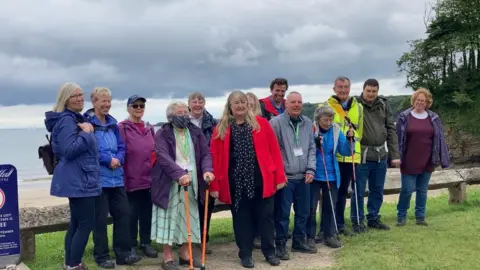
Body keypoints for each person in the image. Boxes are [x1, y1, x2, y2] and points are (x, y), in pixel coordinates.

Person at [210, 91, 286, 268]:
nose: (240, 106)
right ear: (229, 106)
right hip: (236, 183)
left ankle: (269, 252)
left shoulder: (261, 124)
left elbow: (274, 150)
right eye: (235, 103)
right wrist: (215, 184)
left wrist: (279, 177)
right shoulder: (221, 127)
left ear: (248, 104)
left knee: (266, 218)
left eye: (243, 102)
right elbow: (215, 157)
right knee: (241, 219)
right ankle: (245, 254)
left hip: (261, 180)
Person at [150, 101, 214, 270]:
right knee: (169, 218)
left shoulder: (195, 131)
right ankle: (168, 257)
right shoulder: (162, 133)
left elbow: (206, 153)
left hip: (192, 181)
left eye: (186, 113)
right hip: (168, 181)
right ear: (171, 117)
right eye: (180, 113)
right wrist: (179, 174)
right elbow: (163, 156)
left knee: (189, 218)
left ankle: (185, 254)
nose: (185, 116)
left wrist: (207, 170)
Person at [45, 82, 99, 270]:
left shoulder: (73, 118)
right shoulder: (68, 121)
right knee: (85, 223)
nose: (79, 98)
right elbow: (68, 150)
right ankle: (74, 265)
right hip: (78, 178)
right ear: (65, 99)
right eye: (75, 95)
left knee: (76, 223)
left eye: (81, 95)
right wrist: (86, 133)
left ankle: (70, 263)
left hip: (78, 176)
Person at [85, 87, 141, 268]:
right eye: (103, 101)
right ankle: (101, 256)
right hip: (99, 179)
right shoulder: (88, 124)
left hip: (116, 178)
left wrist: (119, 159)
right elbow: (90, 148)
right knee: (99, 220)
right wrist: (108, 159)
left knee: (124, 214)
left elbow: (121, 146)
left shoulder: (112, 124)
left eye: (109, 101)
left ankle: (122, 253)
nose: (107, 104)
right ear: (94, 102)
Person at [269, 91, 317, 260]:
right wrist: (279, 174)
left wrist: (311, 169)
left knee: (304, 212)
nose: (296, 105)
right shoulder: (275, 123)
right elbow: (271, 151)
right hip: (285, 177)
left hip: (304, 176)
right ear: (286, 104)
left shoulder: (307, 123)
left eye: (299, 102)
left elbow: (312, 147)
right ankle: (280, 245)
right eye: (293, 102)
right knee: (282, 213)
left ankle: (298, 241)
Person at [351, 79, 400, 232]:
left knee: (377, 189)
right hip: (362, 156)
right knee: (358, 191)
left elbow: (391, 129)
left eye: (374, 91)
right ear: (363, 90)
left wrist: (395, 154)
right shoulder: (355, 104)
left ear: (377, 91)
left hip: (380, 156)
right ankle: (358, 221)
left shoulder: (383, 105)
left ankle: (373, 218)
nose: (371, 94)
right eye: (368, 91)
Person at [396, 88, 450, 226]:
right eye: (418, 100)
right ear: (414, 101)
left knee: (422, 190)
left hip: (428, 159)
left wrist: (443, 160)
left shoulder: (434, 118)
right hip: (409, 160)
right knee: (407, 190)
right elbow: (397, 139)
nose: (420, 102)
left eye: (423, 101)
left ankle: (420, 216)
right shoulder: (404, 117)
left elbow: (440, 140)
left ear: (427, 103)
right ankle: (401, 216)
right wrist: (396, 157)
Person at [317, 76, 363, 238]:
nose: (343, 90)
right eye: (340, 87)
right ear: (334, 88)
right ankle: (325, 226)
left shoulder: (358, 106)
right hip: (334, 157)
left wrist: (352, 142)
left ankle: (340, 224)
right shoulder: (326, 106)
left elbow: (360, 132)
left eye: (346, 87)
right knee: (330, 195)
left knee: (343, 192)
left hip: (351, 156)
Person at [307, 105, 354, 248]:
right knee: (311, 207)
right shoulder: (311, 129)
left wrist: (349, 140)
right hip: (314, 173)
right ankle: (309, 236)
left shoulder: (336, 130)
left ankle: (329, 234)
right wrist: (314, 144)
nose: (328, 122)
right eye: (325, 120)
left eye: (330, 119)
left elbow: (345, 151)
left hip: (331, 174)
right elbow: (305, 148)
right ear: (318, 119)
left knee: (330, 206)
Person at [118, 95, 158, 258]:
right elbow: (120, 151)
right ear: (128, 108)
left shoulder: (149, 128)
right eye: (135, 106)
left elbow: (156, 152)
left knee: (147, 213)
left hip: (149, 179)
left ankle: (146, 242)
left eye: (142, 106)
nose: (139, 109)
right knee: (131, 214)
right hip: (131, 180)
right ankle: (131, 244)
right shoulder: (123, 127)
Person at [187, 92, 217, 255]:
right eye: (194, 101)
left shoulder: (211, 122)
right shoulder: (183, 121)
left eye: (200, 101)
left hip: (207, 167)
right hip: (189, 168)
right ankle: (188, 240)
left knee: (206, 205)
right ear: (189, 104)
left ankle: (203, 240)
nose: (197, 104)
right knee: (189, 203)